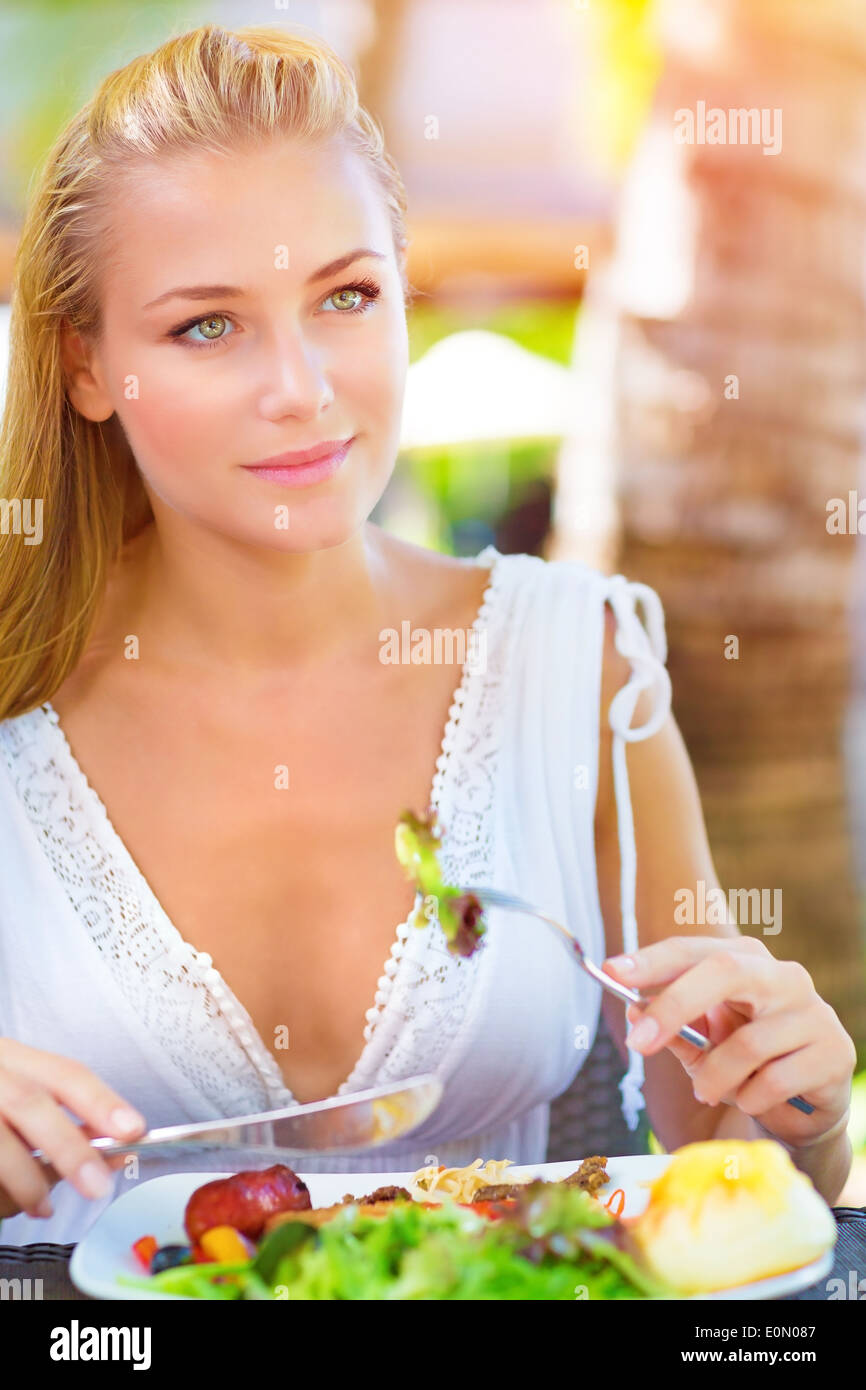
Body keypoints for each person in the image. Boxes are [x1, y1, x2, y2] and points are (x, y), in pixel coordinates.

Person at [0, 24, 855, 1247]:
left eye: (344, 296)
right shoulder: (14, 698)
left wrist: (801, 1109)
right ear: (85, 365)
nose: (300, 387)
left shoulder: (574, 667)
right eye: (207, 326)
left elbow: (731, 1171)